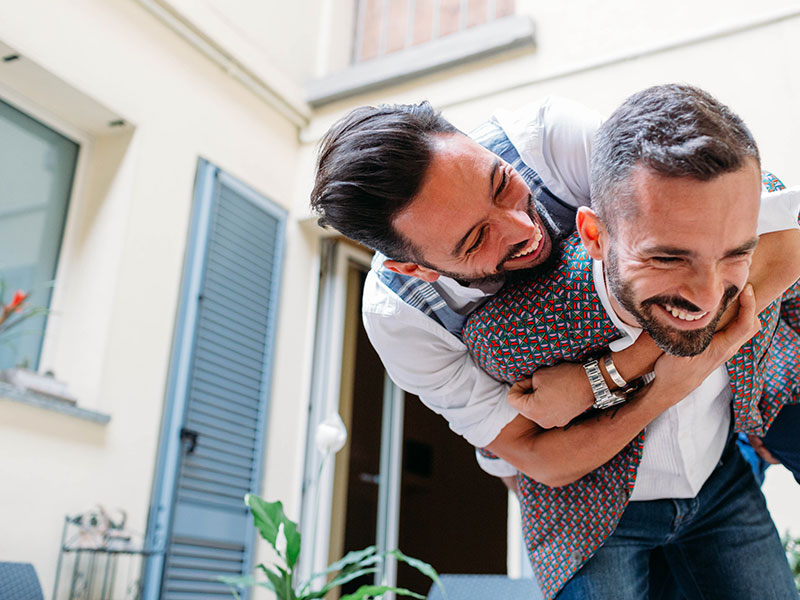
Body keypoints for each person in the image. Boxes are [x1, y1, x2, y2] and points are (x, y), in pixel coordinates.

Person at [310, 86, 800, 596]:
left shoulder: (551, 140)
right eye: (476, 239)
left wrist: (604, 379)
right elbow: (541, 458)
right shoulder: (402, 319)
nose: (523, 228)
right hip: (591, 518)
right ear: (415, 266)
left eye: (501, 185)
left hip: (717, 469)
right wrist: (663, 386)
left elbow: (778, 242)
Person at [461, 84, 800, 598]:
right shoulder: (509, 333)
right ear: (595, 236)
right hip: (589, 521)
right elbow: (520, 455)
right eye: (668, 258)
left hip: (720, 484)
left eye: (735, 253)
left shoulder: (763, 221)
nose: (709, 299)